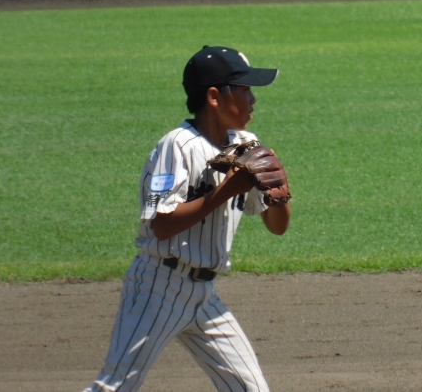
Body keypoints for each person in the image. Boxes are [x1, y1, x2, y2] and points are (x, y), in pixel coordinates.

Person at [83, 45, 291, 392]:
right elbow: (161, 225)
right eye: (244, 90)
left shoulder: (246, 144)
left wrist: (278, 193)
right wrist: (227, 189)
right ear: (214, 96)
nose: (253, 99)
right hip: (158, 288)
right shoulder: (176, 146)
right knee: (114, 387)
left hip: (205, 297)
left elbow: (277, 227)